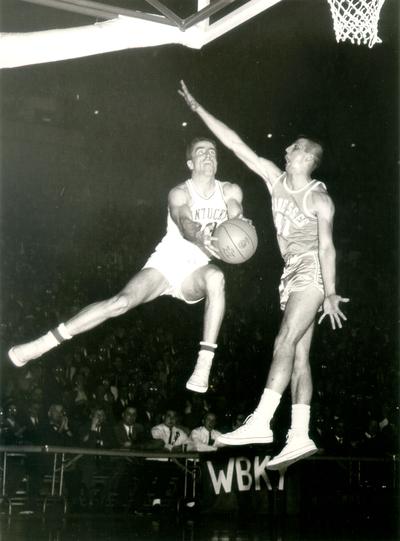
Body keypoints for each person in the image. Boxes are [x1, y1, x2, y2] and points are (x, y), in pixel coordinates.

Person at [179, 81, 349, 470]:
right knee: (300, 356)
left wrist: (332, 291)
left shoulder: (319, 199)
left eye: (293, 148)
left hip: (312, 271)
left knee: (284, 340)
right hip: (290, 274)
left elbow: (326, 247)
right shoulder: (275, 178)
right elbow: (238, 145)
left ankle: (261, 421)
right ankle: (300, 435)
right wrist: (199, 110)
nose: (285, 150)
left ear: (306, 159)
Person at [8, 137, 248, 394]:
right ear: (190, 163)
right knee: (120, 303)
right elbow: (185, 222)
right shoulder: (180, 192)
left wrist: (239, 229)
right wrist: (199, 235)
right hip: (168, 262)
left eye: (212, 151)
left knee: (216, 278)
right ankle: (41, 345)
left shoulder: (230, 190)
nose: (208, 155)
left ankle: (204, 365)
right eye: (201, 152)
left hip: (196, 270)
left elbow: (236, 216)